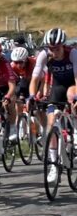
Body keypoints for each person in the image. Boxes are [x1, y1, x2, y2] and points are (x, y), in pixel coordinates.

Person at [30, 28, 77, 182]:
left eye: (57, 48)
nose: (54, 51)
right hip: (56, 87)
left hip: (72, 85)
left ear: (63, 45)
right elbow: (35, 79)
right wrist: (31, 96)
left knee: (72, 97)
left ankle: (75, 132)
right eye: (51, 48)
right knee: (50, 124)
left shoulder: (72, 54)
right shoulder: (44, 55)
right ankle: (53, 165)